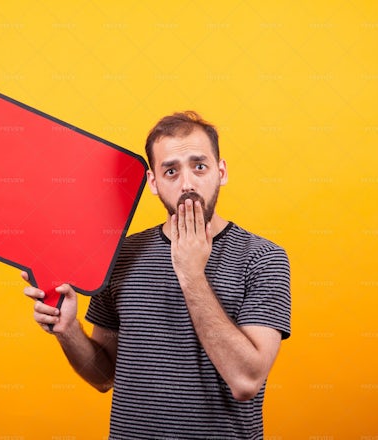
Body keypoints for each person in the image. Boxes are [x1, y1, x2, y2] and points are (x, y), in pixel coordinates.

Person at [22, 111, 291, 439]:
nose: (187, 183)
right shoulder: (120, 255)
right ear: (153, 181)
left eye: (199, 166)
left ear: (221, 172)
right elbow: (103, 376)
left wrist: (191, 273)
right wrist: (68, 330)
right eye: (171, 171)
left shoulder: (262, 258)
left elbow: (246, 381)